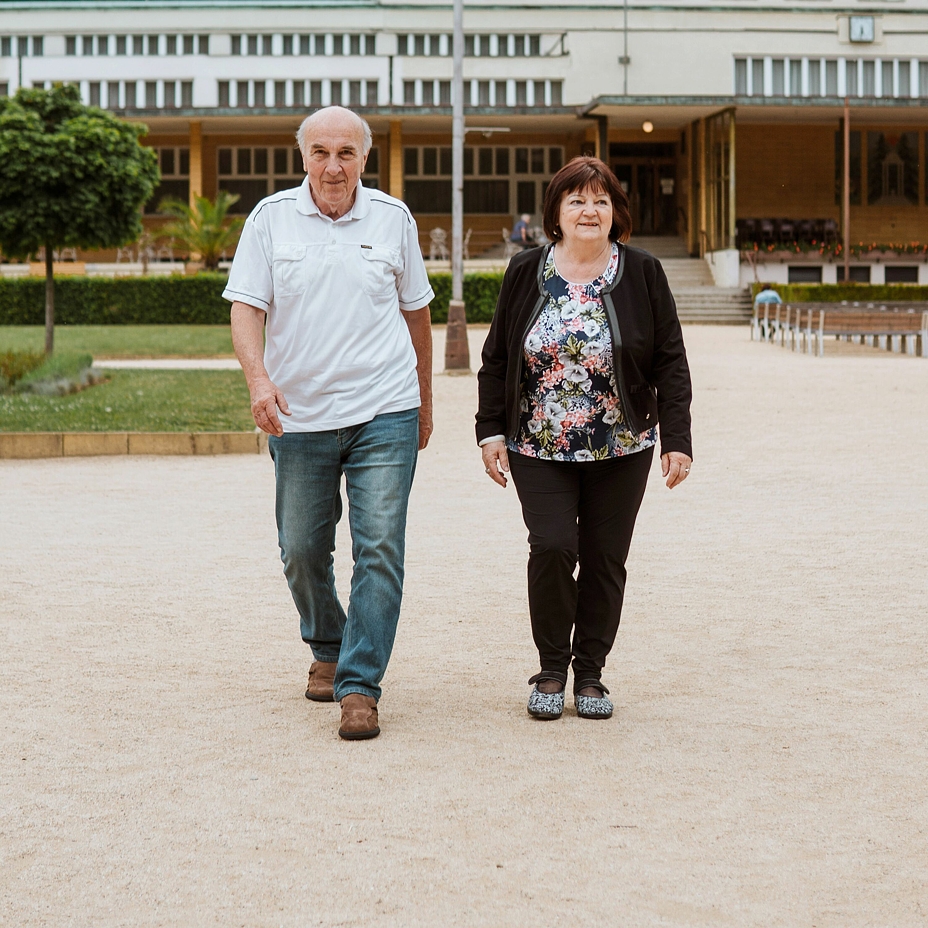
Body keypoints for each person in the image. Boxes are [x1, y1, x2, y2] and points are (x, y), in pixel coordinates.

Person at [225, 106, 434, 741]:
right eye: (321, 152)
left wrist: (424, 401)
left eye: (346, 152)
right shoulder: (270, 219)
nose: (333, 165)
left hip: (384, 408)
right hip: (300, 416)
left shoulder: (394, 220)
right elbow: (246, 307)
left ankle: (359, 684)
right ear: (303, 156)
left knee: (380, 547)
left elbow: (417, 315)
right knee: (302, 549)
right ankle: (327, 641)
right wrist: (259, 380)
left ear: (365, 159)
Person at [476, 156, 693, 721]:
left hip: (621, 446)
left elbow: (671, 357)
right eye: (576, 200)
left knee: (604, 558)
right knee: (552, 547)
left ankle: (590, 673)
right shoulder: (526, 270)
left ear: (616, 211)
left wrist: (678, 436)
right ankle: (551, 667)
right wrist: (489, 431)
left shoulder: (643, 271)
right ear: (556, 212)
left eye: (600, 200)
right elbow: (497, 355)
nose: (589, 210)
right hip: (537, 444)